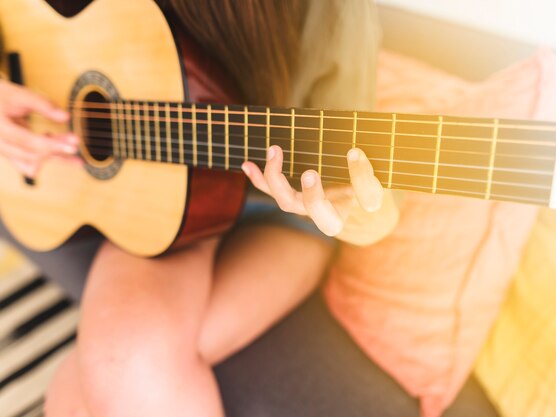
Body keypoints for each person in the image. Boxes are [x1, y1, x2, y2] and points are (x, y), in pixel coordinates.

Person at [0, 1, 402, 416]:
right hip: (156, 197)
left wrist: (360, 215)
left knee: (88, 385)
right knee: (113, 370)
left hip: (281, 213)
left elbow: (367, 195)